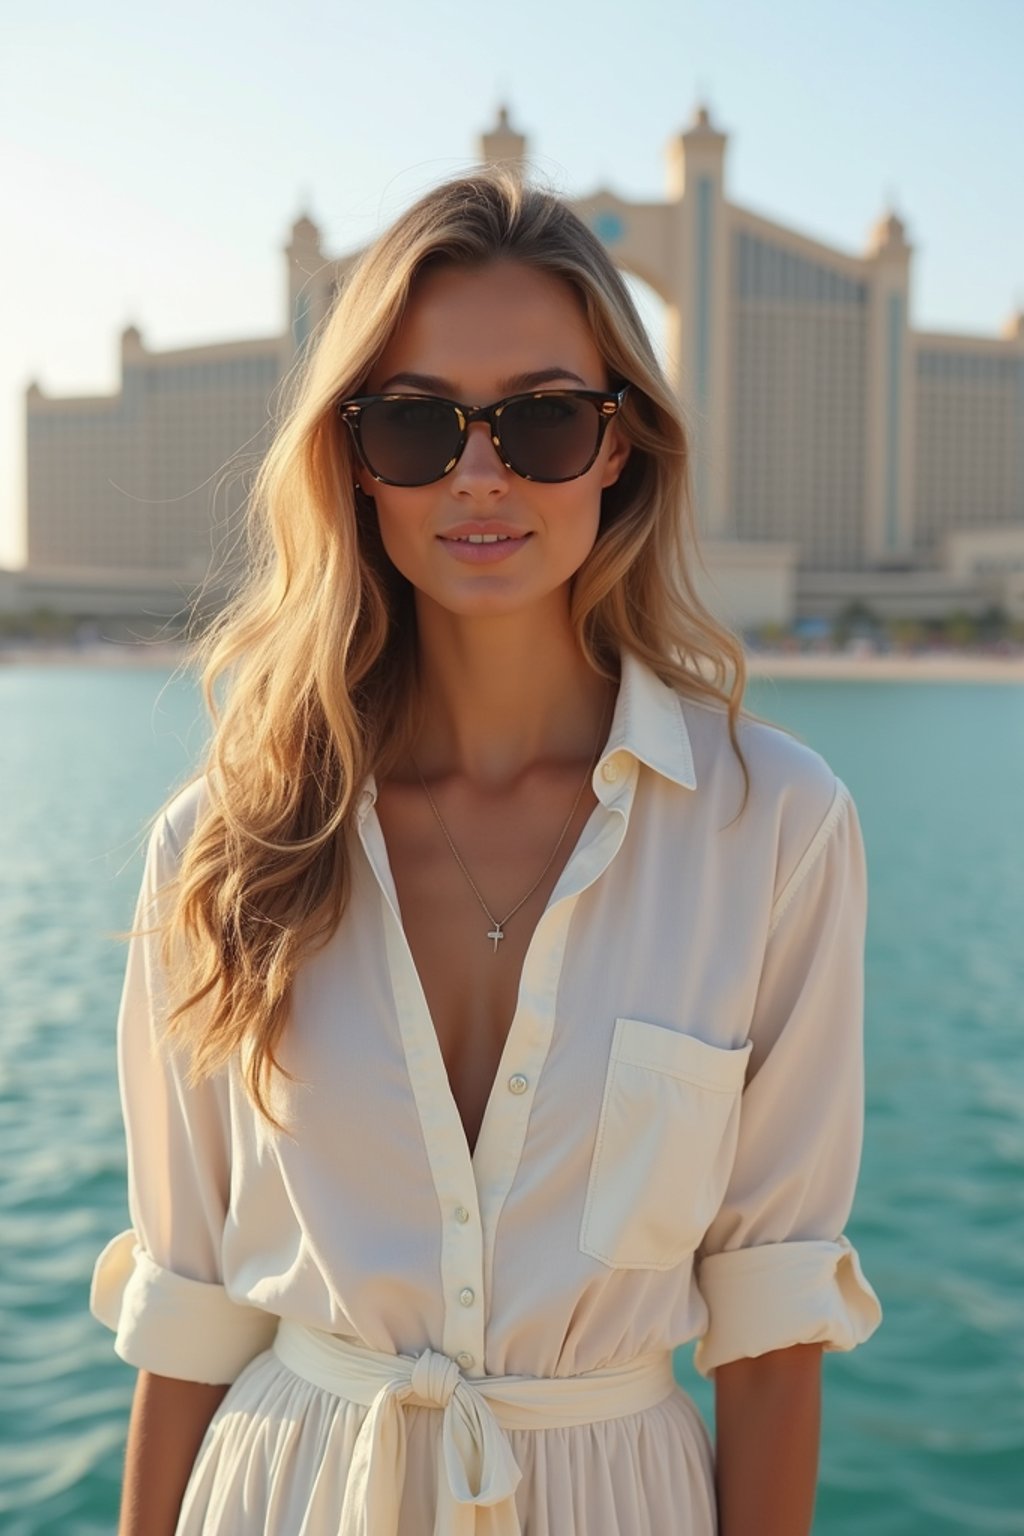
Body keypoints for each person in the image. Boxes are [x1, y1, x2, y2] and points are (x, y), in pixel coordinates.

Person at [91, 165, 883, 1536]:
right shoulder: (223, 842)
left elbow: (769, 1335)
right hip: (281, 1494)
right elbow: (191, 1313)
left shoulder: (776, 829)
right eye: (415, 425)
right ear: (353, 457)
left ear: (622, 441)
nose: (478, 474)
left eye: (541, 419)